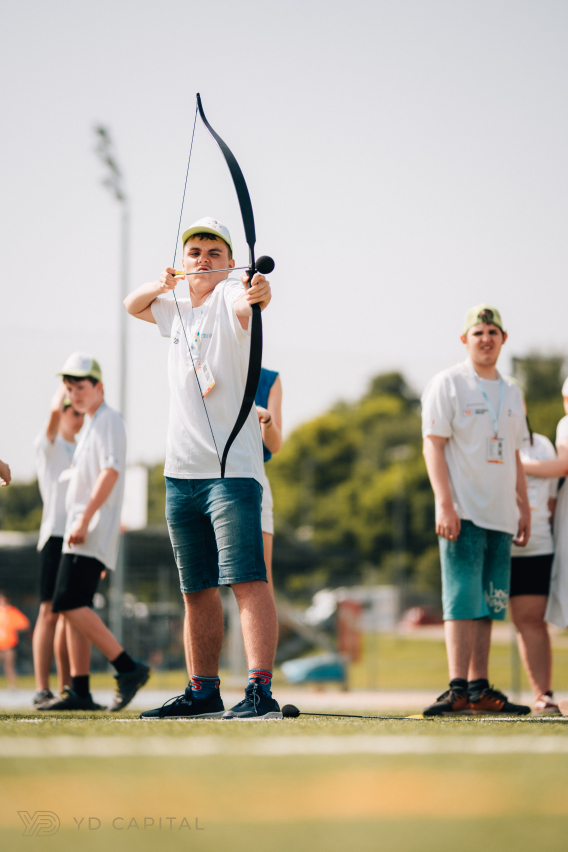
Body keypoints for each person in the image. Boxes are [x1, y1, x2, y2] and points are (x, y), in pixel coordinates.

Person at [124, 217, 280, 720]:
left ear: (230, 261)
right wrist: (162, 283)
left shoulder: (231, 295)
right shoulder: (172, 308)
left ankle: (259, 692)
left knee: (247, 580)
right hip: (181, 473)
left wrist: (257, 290)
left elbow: (249, 303)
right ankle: (203, 692)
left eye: (215, 252)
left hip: (230, 472)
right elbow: (132, 305)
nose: (204, 259)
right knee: (195, 589)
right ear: (182, 259)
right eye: (195, 252)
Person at [421, 304, 532, 716]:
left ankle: (479, 688)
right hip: (463, 511)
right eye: (478, 332)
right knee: (461, 599)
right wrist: (444, 503)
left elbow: (514, 453)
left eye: (493, 332)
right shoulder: (448, 383)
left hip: (501, 514)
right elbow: (433, 444)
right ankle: (456, 688)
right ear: (464, 339)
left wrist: (523, 504)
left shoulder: (513, 390)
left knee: (490, 602)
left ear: (503, 339)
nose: (486, 339)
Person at [40, 353, 150, 712]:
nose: (75, 393)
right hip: (81, 529)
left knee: (67, 602)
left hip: (89, 530)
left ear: (99, 387)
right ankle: (80, 691)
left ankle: (128, 668)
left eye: (81, 386)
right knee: (75, 606)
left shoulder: (108, 421)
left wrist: (85, 520)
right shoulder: (91, 424)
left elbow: (110, 472)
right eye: (69, 388)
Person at [509, 390, 562, 714]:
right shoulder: (484, 442)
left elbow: (552, 502)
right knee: (477, 616)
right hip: (491, 540)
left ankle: (543, 694)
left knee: (531, 619)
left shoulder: (542, 445)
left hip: (536, 545)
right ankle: (471, 690)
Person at [33, 385, 84, 707]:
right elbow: (53, 412)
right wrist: (68, 385)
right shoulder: (49, 443)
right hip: (54, 535)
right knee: (49, 613)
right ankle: (42, 687)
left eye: (82, 413)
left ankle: (68, 688)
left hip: (77, 538)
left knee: (71, 615)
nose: (79, 417)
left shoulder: (82, 447)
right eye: (73, 411)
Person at [255, 367, 283, 596]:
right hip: (208, 476)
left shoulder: (269, 379)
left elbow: (274, 445)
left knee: (261, 579)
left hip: (253, 477)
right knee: (203, 585)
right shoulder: (204, 368)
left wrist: (266, 419)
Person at [0, 592, 30, 689]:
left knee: (9, 665)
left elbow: (25, 624)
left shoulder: (12, 611)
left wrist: (14, 629)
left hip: (9, 643)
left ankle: (12, 685)